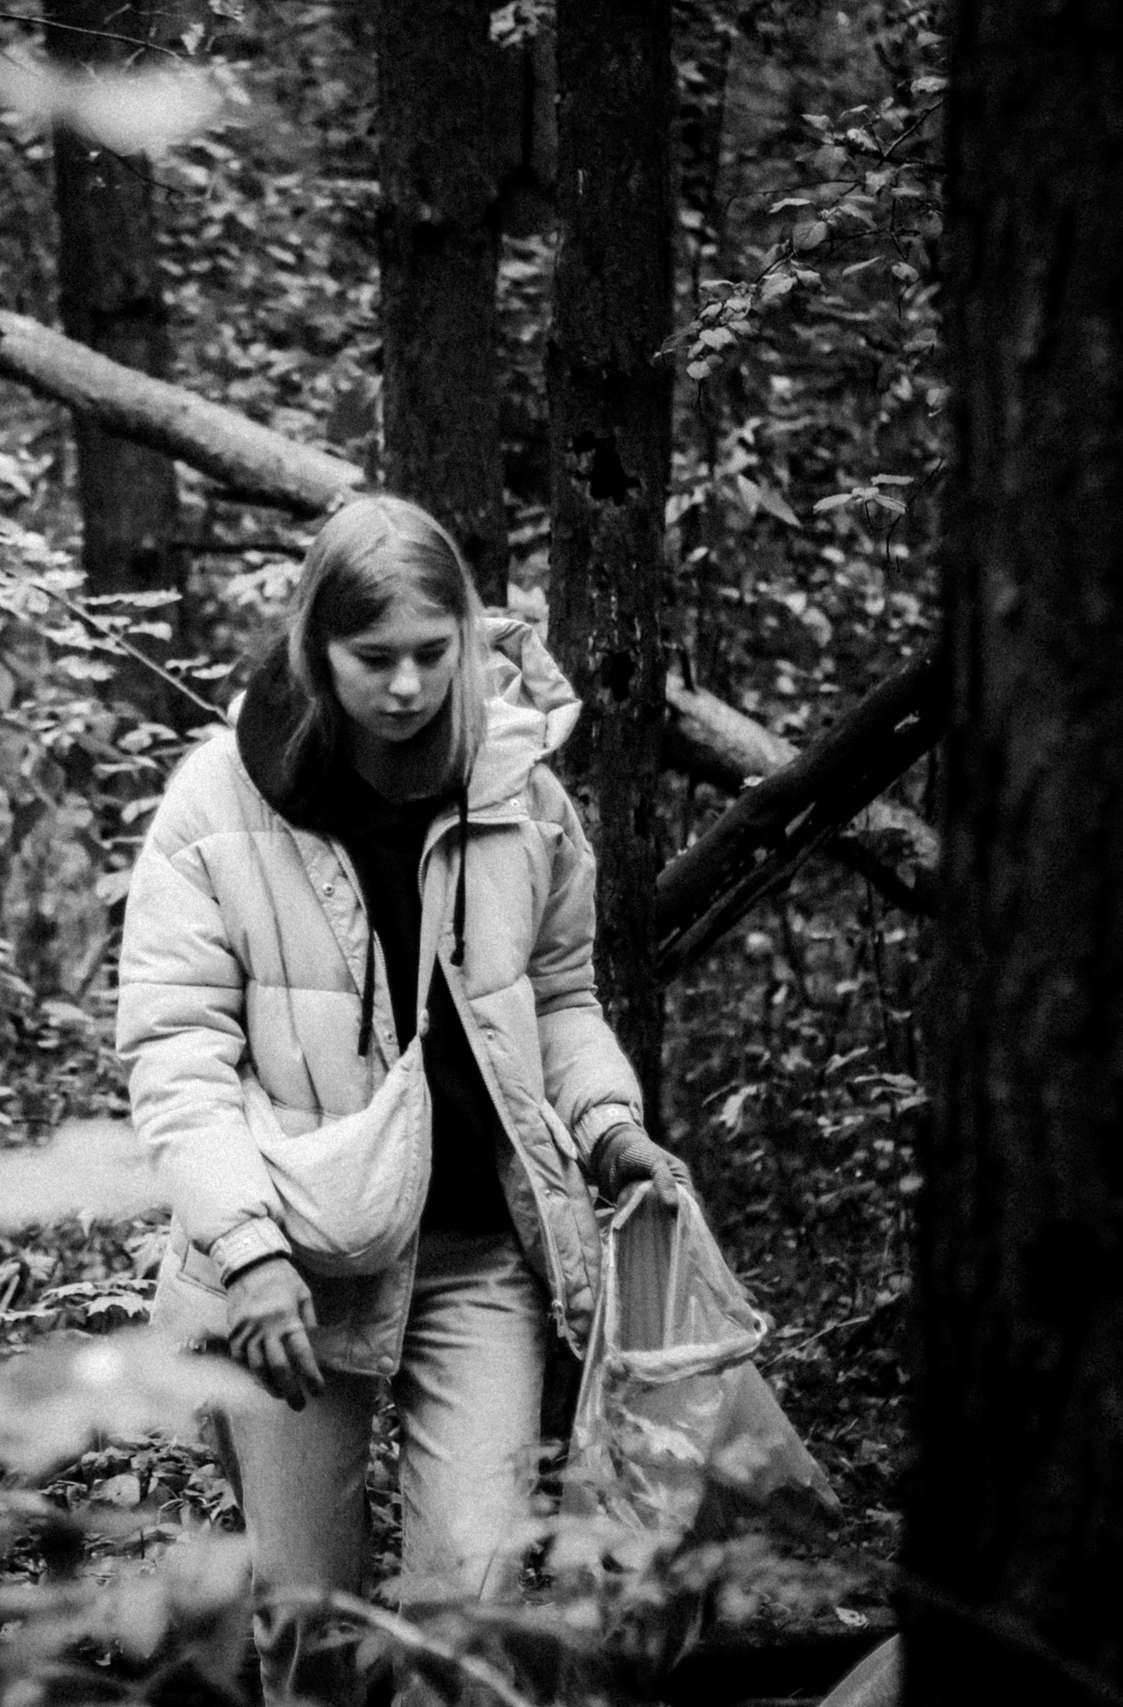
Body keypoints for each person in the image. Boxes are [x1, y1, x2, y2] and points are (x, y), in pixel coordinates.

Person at [114, 494, 692, 1700]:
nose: (407, 686)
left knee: (469, 1612)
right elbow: (174, 1053)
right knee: (305, 1623)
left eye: (434, 654)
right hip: (292, 1251)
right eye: (372, 658)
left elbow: (559, 991)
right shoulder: (214, 805)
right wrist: (245, 1246)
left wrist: (608, 1125)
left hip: (482, 1251)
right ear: (313, 649)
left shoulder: (518, 786)